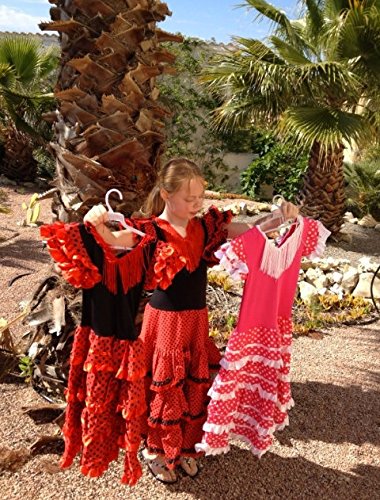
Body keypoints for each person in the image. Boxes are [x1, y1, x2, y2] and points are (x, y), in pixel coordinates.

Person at [84, 157, 299, 484]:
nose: (197, 204)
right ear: (167, 194)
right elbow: (113, 241)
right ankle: (156, 451)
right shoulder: (151, 231)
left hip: (196, 321)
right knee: (166, 383)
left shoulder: (205, 227)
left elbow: (253, 229)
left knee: (191, 383)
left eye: (200, 197)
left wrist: (279, 217)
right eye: (189, 198)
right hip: (164, 323)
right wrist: (95, 221)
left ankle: (183, 447)